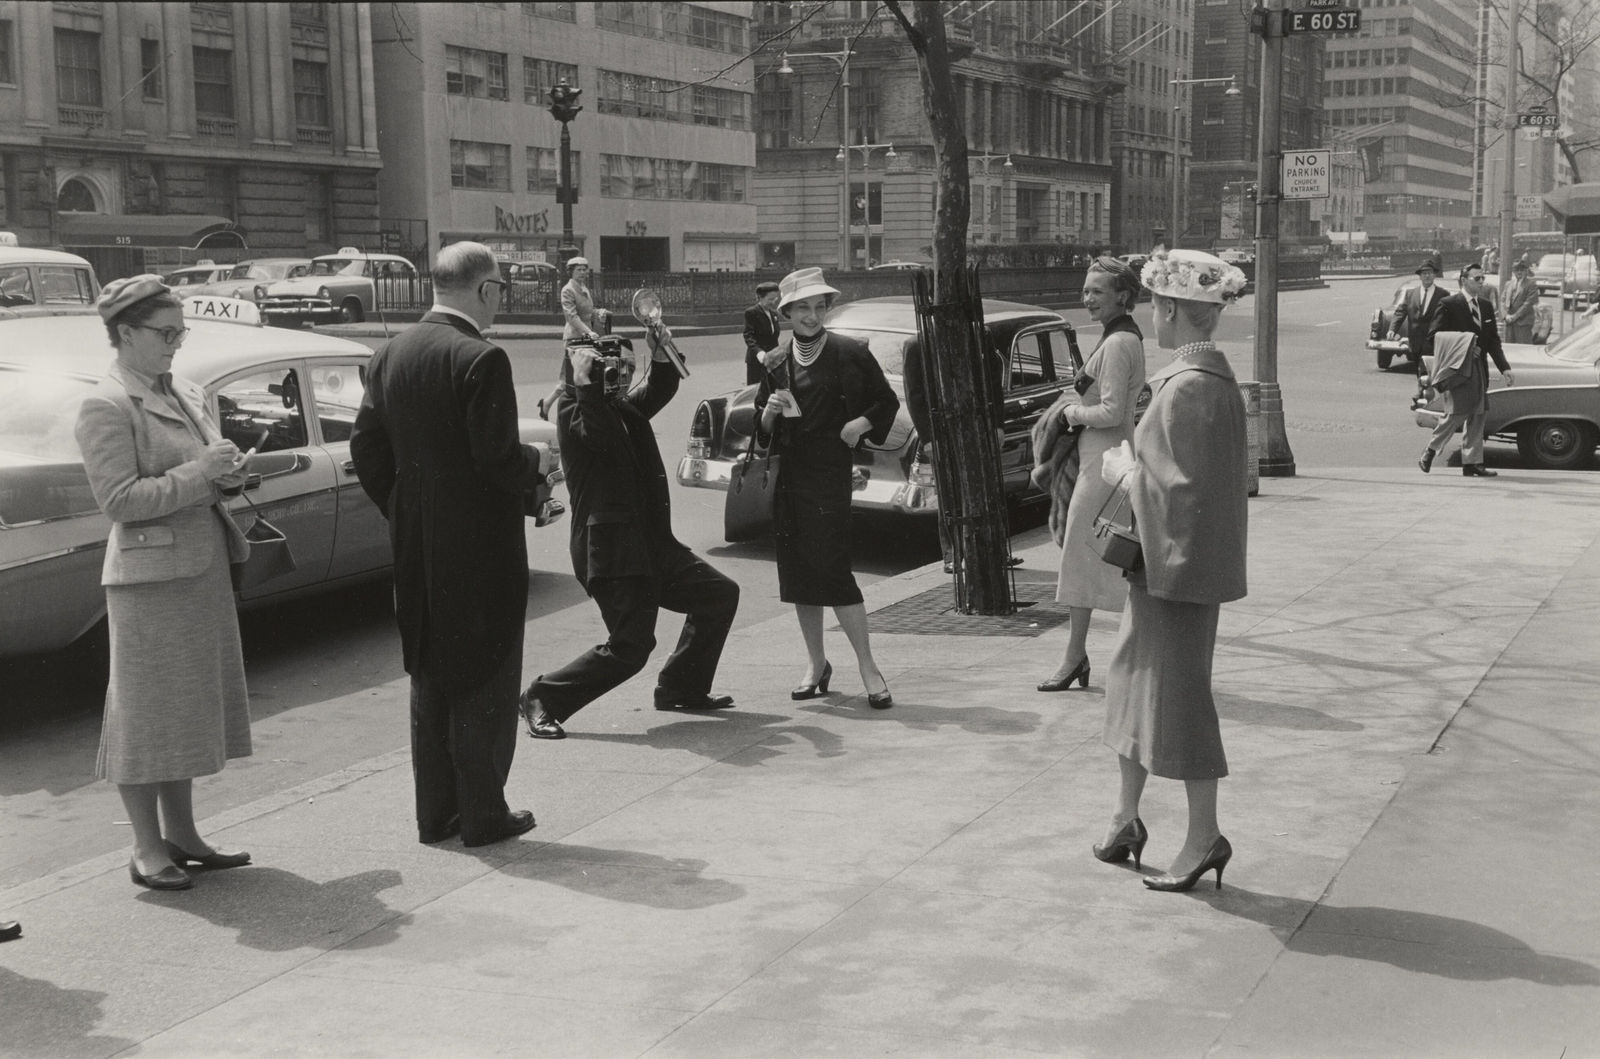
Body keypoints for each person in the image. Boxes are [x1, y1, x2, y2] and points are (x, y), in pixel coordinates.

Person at [350, 241, 546, 848]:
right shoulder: (481, 358)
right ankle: (484, 814)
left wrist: (406, 509)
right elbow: (497, 458)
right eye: (500, 292)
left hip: (417, 542)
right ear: (485, 290)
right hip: (481, 546)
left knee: (429, 671)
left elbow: (367, 450)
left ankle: (436, 816)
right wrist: (538, 466)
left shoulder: (390, 353)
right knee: (486, 673)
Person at [73, 275, 255, 891]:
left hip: (197, 571)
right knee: (146, 715)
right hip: (148, 582)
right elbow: (119, 501)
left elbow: (203, 473)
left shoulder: (185, 391)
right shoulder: (107, 403)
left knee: (188, 710)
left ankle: (183, 834)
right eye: (165, 333)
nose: (176, 343)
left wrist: (227, 476)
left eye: (181, 332)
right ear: (125, 333)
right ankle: (146, 847)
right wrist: (201, 474)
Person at [1092, 249, 1249, 893]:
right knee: (1134, 683)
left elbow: (1179, 491)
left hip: (1173, 572)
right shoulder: (1199, 380)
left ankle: (1204, 836)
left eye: (1158, 303)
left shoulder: (1189, 388)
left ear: (1175, 310)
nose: (1152, 314)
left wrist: (1128, 473)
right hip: (1168, 569)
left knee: (1178, 700)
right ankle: (1126, 817)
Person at [519, 330, 740, 740]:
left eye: (626, 369)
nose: (619, 378)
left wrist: (660, 356)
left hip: (652, 547)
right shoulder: (574, 408)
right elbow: (598, 438)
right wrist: (584, 385)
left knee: (719, 595)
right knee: (631, 648)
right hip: (613, 554)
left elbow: (656, 390)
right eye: (611, 369)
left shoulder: (617, 407)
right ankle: (541, 696)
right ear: (587, 372)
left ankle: (681, 686)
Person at [756, 268, 900, 708]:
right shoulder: (778, 359)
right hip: (792, 477)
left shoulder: (847, 351)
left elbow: (886, 402)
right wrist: (770, 413)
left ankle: (868, 667)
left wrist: (857, 424)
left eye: (820, 307)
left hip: (829, 474)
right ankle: (816, 664)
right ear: (787, 312)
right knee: (800, 575)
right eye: (803, 307)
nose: (813, 315)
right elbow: (764, 429)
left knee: (834, 573)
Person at [1037, 256, 1147, 693]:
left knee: (1098, 563)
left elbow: (1113, 411)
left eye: (1097, 292)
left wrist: (1069, 414)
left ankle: (1089, 657)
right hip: (1097, 460)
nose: (1088, 299)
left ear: (1122, 296)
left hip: (1106, 465)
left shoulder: (1120, 343)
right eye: (1086, 291)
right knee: (1090, 564)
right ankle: (1080, 655)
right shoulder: (1116, 337)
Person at [1418, 262, 1515, 478]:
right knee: (1456, 413)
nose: (1481, 282)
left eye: (1483, 278)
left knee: (1479, 414)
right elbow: (1433, 337)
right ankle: (1430, 451)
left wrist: (1504, 368)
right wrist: (1466, 344)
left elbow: (1493, 342)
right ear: (1464, 280)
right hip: (1458, 370)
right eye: (1477, 278)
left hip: (1479, 370)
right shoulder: (1449, 304)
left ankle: (1473, 463)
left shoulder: (1485, 306)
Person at [1395, 255, 1447, 379]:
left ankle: (1427, 394)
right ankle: (1422, 392)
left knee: (1433, 373)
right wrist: (1393, 329)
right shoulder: (1411, 293)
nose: (1427, 276)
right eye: (1424, 273)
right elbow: (1401, 312)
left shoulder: (1443, 294)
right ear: (1420, 276)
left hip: (1434, 342)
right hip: (1416, 342)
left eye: (1429, 273)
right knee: (1420, 373)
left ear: (1434, 275)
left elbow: (1447, 317)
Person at [744, 281, 783, 384]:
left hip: (772, 359)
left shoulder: (774, 313)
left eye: (776, 298)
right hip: (757, 360)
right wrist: (759, 352)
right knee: (756, 390)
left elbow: (773, 337)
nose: (774, 301)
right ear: (760, 297)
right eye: (770, 299)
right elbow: (748, 335)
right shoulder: (752, 312)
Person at [1501, 257, 1540, 344]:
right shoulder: (1508, 284)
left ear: (1526, 271)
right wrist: (1506, 315)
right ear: (1513, 271)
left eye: (1522, 270)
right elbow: (1502, 301)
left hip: (1523, 323)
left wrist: (1515, 316)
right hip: (1509, 323)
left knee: (1523, 349)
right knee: (1510, 349)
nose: (1519, 272)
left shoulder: (1531, 284)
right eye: (1516, 270)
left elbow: (1528, 303)